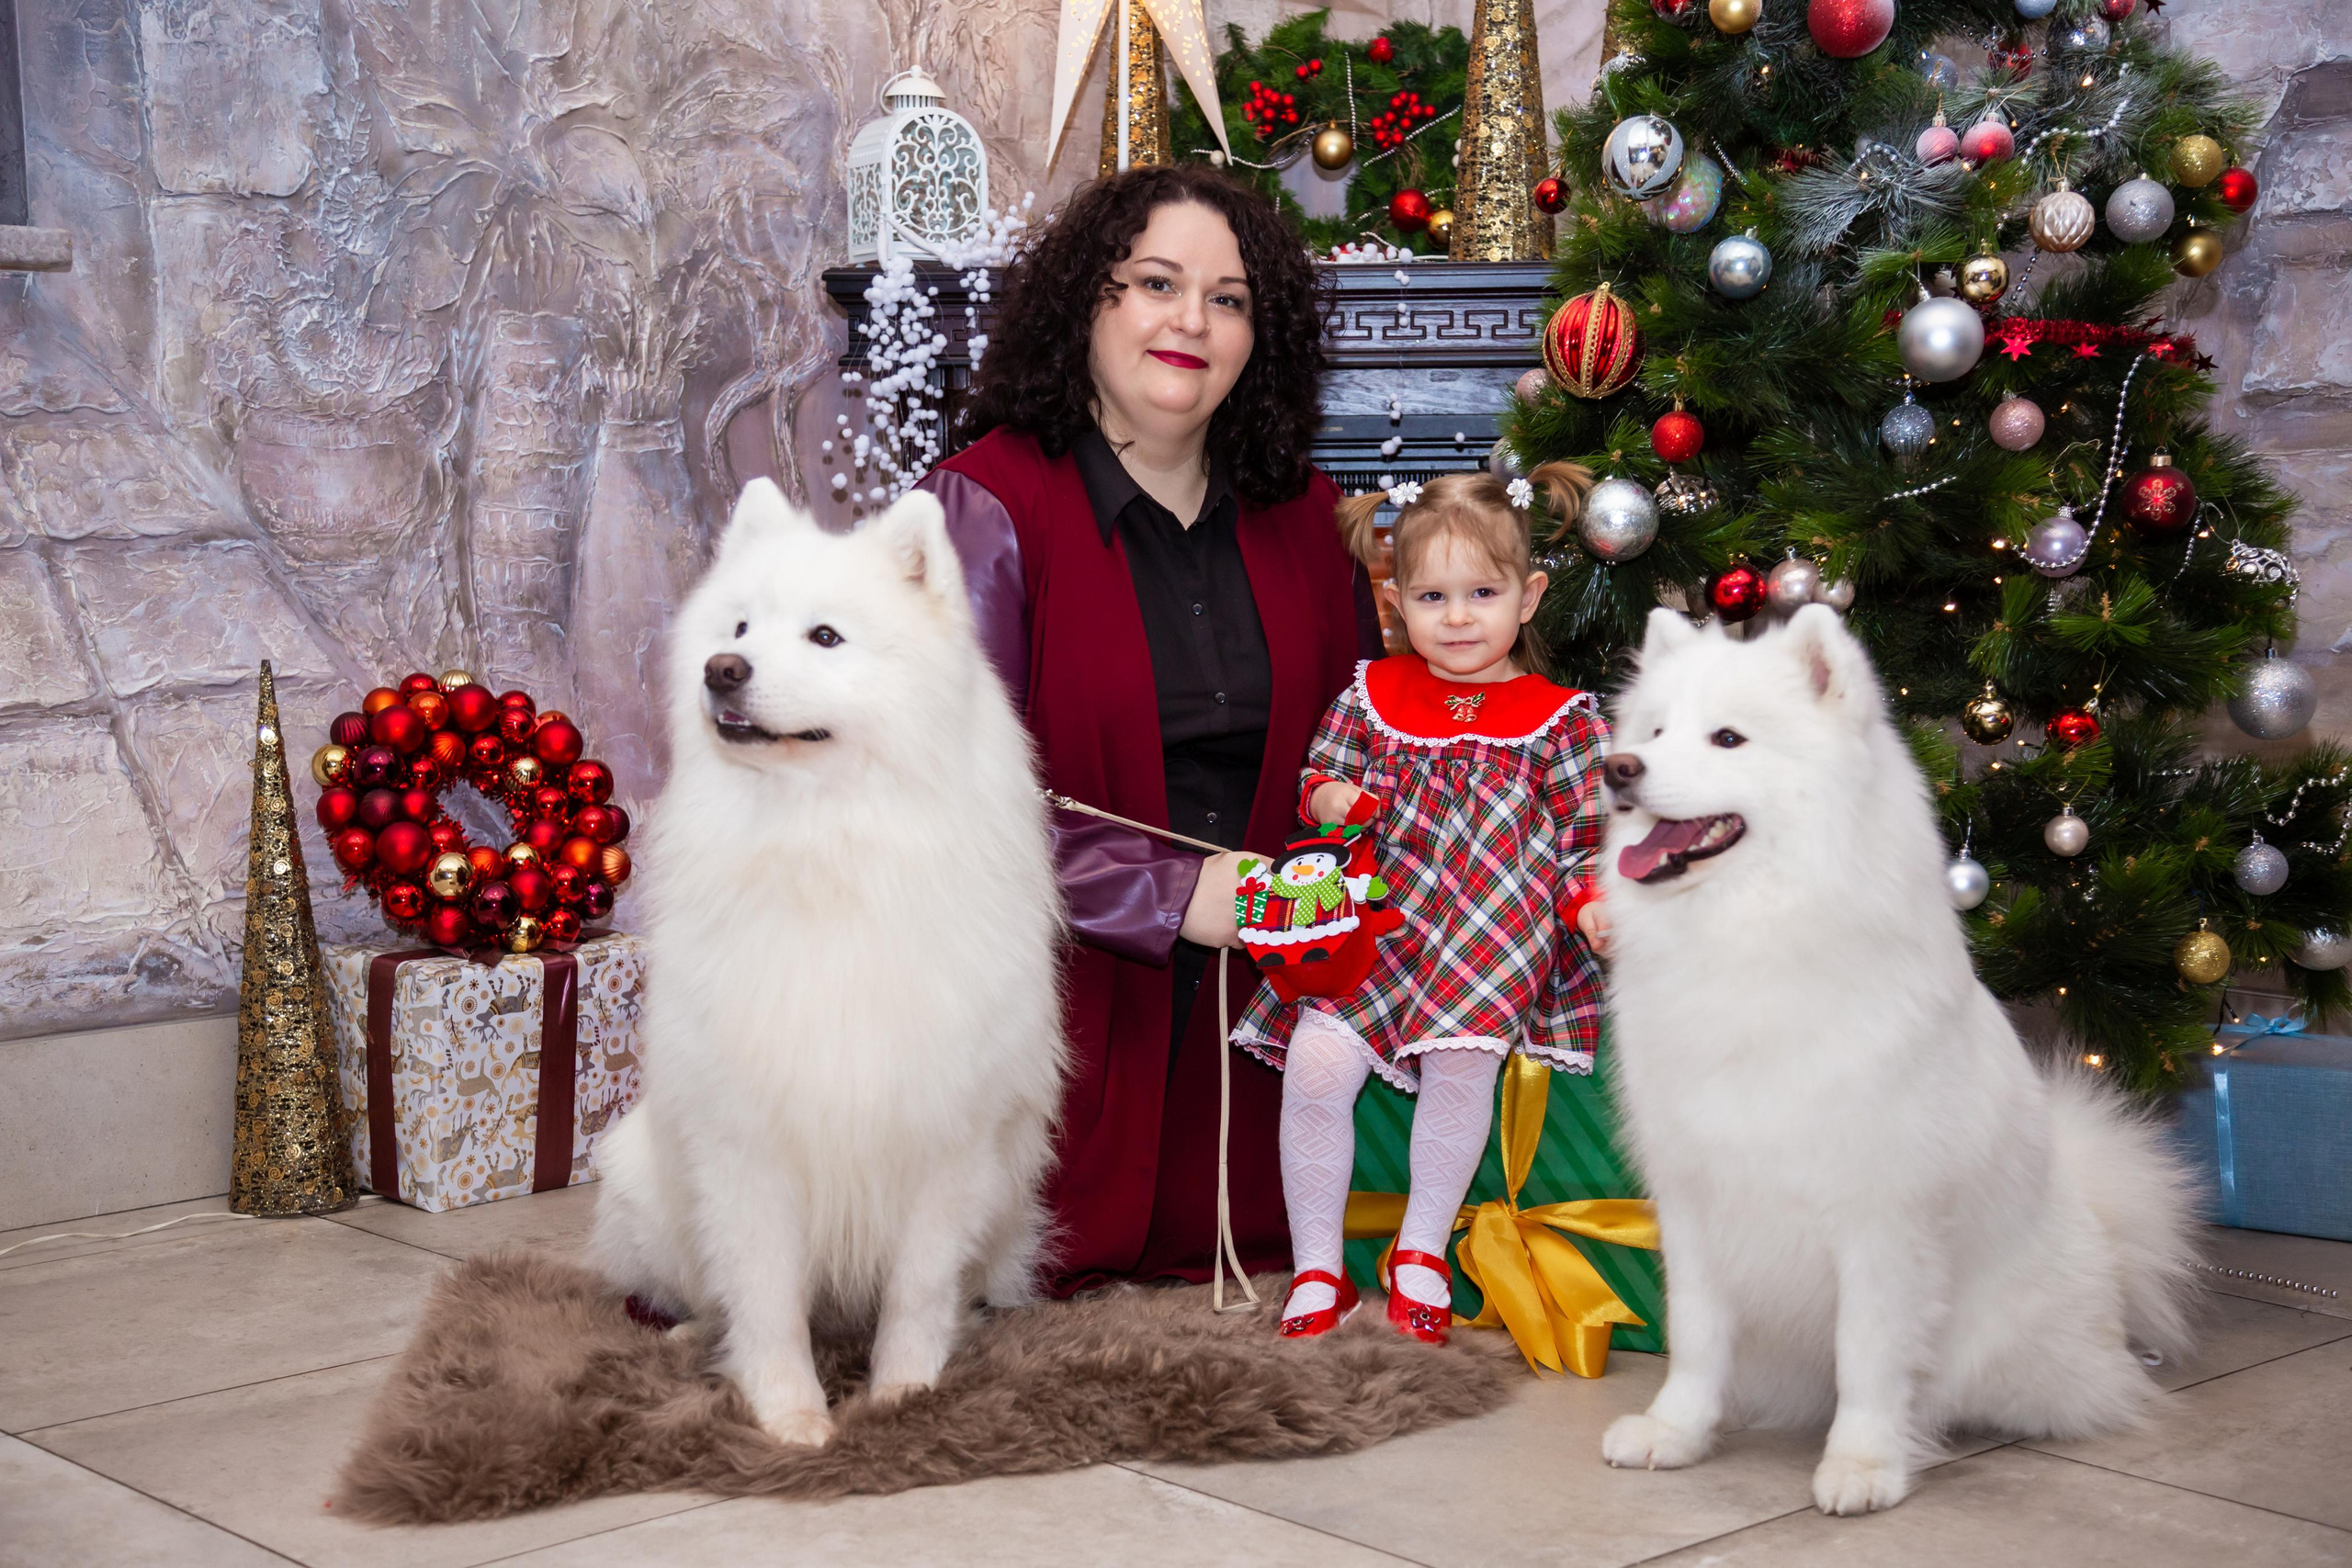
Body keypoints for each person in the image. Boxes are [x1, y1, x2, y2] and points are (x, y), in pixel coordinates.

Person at [919, 164, 1384, 1292]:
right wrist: (1175, 895)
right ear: (1089, 301)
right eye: (1156, 284)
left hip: (1264, 1037)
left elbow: (1367, 760)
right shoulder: (984, 505)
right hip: (1057, 1026)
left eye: (1228, 299)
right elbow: (937, 808)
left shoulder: (1312, 518)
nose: (1191, 321)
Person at [1227, 469, 1611, 1342]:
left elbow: (1587, 835)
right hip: (1382, 920)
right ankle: (1318, 1262)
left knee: (1461, 1064)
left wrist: (1592, 901)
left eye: (1484, 592)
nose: (1461, 616)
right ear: (1396, 602)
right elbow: (1319, 777)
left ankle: (1421, 1250)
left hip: (1495, 927)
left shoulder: (1563, 720)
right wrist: (1332, 802)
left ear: (1529, 595)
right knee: (1318, 1067)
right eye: (1434, 597)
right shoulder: (1373, 696)